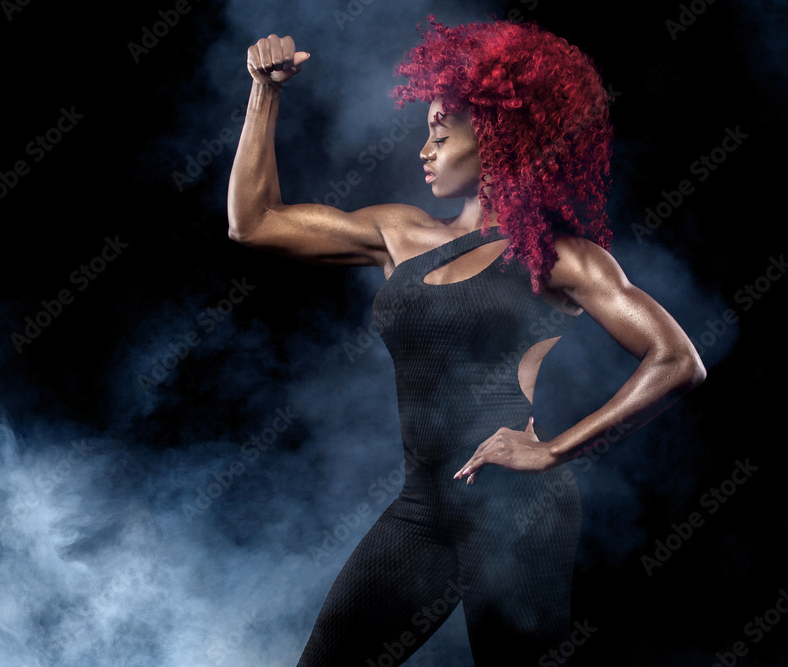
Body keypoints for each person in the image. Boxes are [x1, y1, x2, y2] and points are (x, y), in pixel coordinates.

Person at [227, 18, 706, 666]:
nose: (423, 147)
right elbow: (253, 223)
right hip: (420, 509)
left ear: (494, 133)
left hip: (516, 511)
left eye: (439, 130)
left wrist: (555, 451)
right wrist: (265, 92)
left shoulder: (558, 258)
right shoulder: (400, 234)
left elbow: (678, 359)